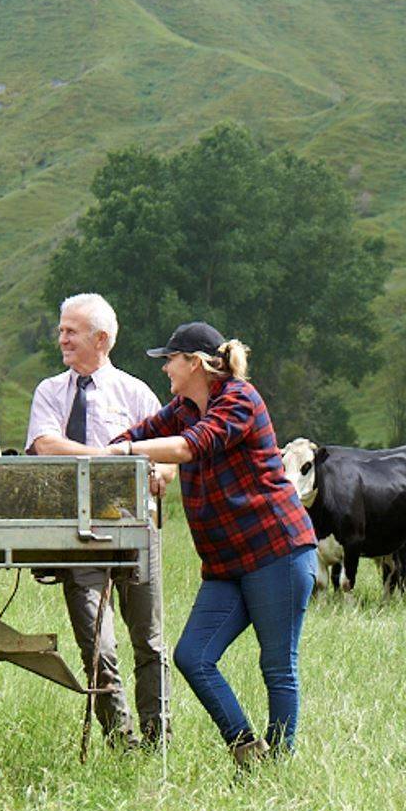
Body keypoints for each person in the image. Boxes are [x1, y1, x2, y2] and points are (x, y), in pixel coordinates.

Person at [87, 321, 317, 766]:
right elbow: (137, 436)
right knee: (193, 656)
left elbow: (196, 446)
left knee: (277, 666)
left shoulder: (239, 399)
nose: (165, 369)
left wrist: (134, 455)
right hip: (226, 562)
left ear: (195, 363)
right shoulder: (182, 408)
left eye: (169, 360)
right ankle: (245, 746)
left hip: (276, 551)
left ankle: (279, 766)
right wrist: (122, 455)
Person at [25, 294, 173, 748]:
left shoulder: (136, 394)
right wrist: (118, 460)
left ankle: (157, 739)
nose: (62, 338)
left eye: (71, 331)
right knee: (97, 647)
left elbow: (168, 463)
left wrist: (157, 472)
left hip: (136, 534)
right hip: (78, 534)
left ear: (101, 339)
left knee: (149, 643)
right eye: (62, 330)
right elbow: (46, 445)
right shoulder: (50, 392)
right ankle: (120, 738)